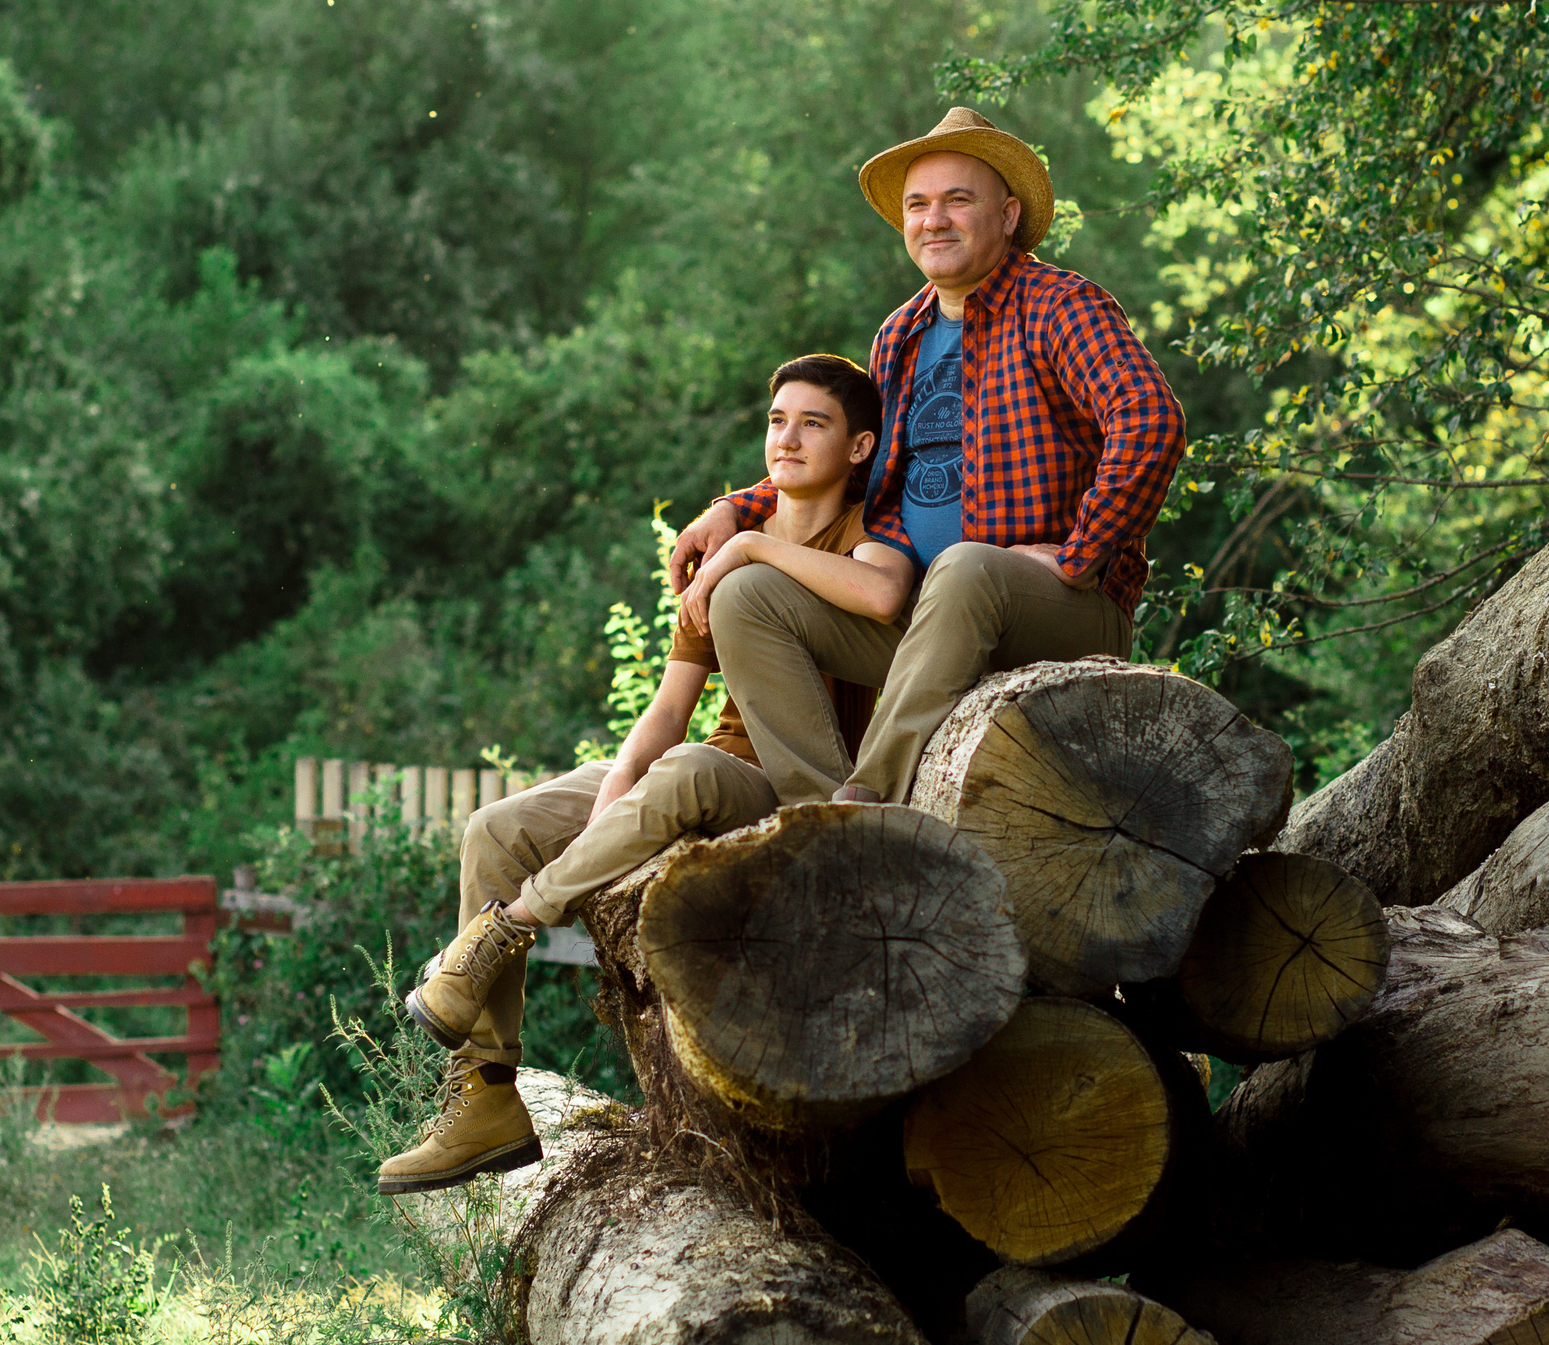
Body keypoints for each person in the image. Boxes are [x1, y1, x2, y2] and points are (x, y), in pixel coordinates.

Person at [379, 354, 914, 1194]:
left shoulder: (868, 527)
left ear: (857, 447)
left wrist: (743, 546)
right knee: (498, 828)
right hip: (709, 761)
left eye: (814, 423)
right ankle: (484, 1095)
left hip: (800, 784)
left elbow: (885, 595)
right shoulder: (736, 541)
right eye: (778, 420)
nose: (789, 438)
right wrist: (612, 798)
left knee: (691, 769)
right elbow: (667, 712)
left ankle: (507, 926)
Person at [668, 107, 1185, 807]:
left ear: (1007, 216)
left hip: (1059, 610)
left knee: (968, 563)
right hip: (923, 617)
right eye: (918, 204)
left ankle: (870, 798)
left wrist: (1079, 555)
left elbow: (1149, 418)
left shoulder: (1060, 306)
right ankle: (824, 817)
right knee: (747, 595)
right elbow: (850, 460)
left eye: (957, 200)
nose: (933, 219)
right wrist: (735, 509)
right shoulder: (900, 334)